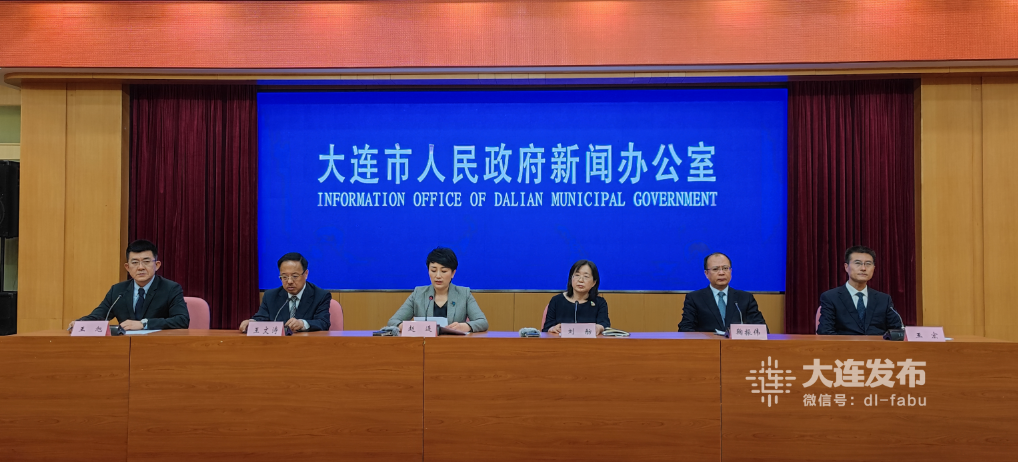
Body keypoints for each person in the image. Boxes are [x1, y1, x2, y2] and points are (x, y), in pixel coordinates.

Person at [69, 239, 189, 331]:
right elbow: (99, 315)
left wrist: (144, 324)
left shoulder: (171, 288)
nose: (140, 267)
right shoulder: (117, 290)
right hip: (124, 347)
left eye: (146, 262)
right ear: (127, 267)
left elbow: (182, 320)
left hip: (157, 345)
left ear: (157, 265)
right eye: (135, 262)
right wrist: (80, 323)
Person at [387, 247, 488, 333]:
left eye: (443, 271)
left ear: (453, 273)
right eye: (433, 270)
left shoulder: (464, 294)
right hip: (424, 345)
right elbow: (393, 321)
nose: (438, 276)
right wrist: (410, 327)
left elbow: (483, 322)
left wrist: (463, 326)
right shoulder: (418, 294)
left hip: (454, 345)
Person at [817, 246, 902, 335]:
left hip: (877, 343)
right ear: (846, 267)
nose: (863, 268)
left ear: (874, 268)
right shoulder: (831, 297)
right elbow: (825, 332)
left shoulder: (884, 299)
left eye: (868, 264)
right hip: (844, 344)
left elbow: (897, 331)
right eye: (857, 263)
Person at [239, 253, 331, 333]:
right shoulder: (270, 296)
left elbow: (323, 322)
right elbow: (261, 318)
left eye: (295, 276)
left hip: (307, 344)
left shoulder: (320, 296)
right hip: (278, 344)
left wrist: (302, 324)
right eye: (284, 277)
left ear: (306, 274)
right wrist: (252, 322)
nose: (289, 281)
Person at [678, 252, 767, 332]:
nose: (721, 273)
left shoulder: (745, 298)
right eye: (715, 269)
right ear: (706, 273)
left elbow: (762, 329)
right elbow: (685, 328)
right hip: (708, 344)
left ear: (730, 271)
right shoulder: (694, 298)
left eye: (725, 268)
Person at [543, 259, 609, 334]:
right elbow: (546, 328)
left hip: (589, 341)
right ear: (571, 278)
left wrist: (599, 328)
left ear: (594, 282)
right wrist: (553, 328)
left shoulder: (599, 302)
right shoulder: (557, 300)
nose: (580, 280)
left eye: (586, 276)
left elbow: (605, 324)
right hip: (561, 340)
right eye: (577, 275)